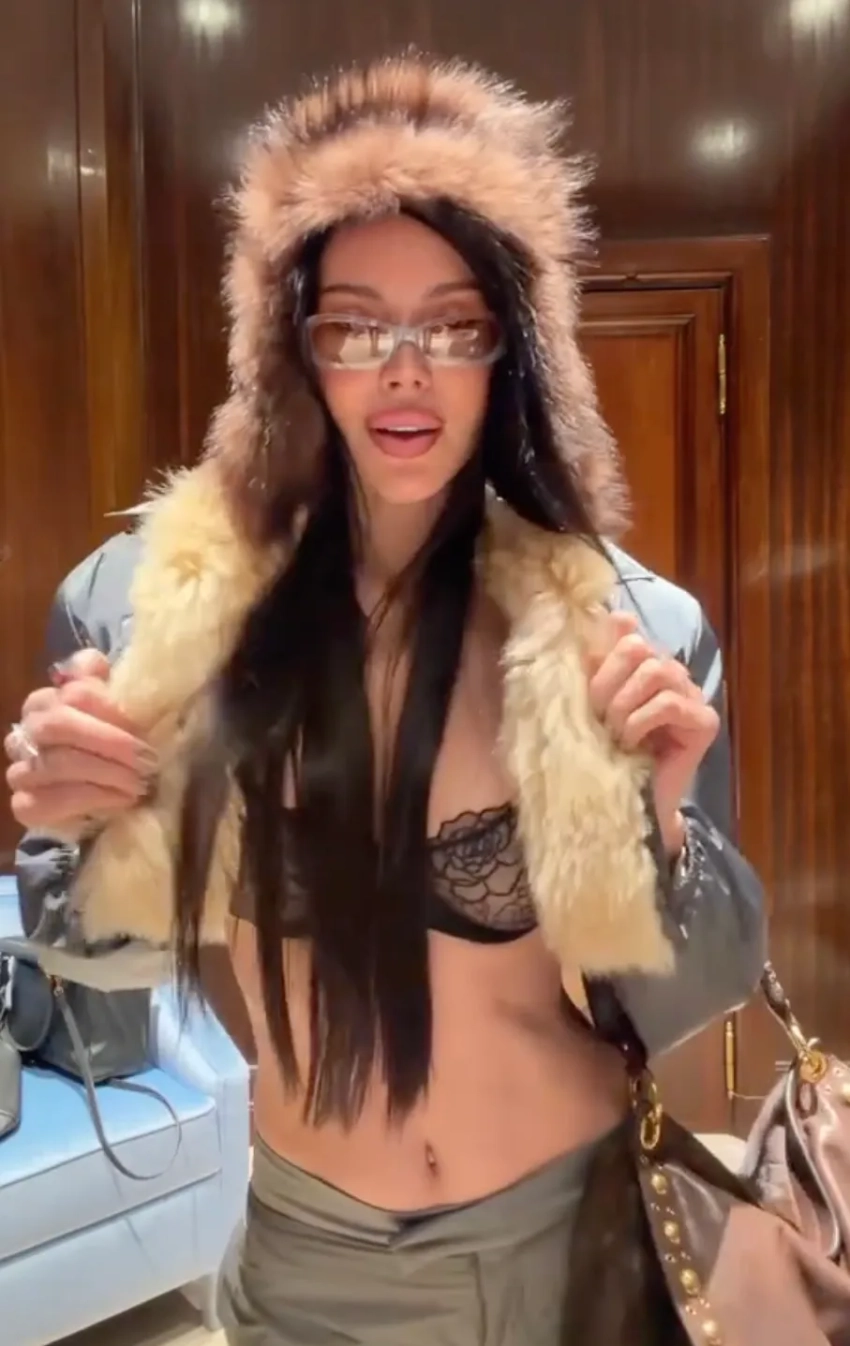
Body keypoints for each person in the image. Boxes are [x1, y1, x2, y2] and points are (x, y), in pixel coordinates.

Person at [5, 53, 765, 1346]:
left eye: (454, 325)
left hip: (574, 1242)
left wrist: (661, 821)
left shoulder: (625, 632)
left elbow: (692, 998)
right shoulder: (151, 621)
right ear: (289, 349)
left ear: (511, 350)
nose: (404, 370)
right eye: (356, 326)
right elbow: (100, 978)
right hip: (311, 1261)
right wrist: (70, 826)